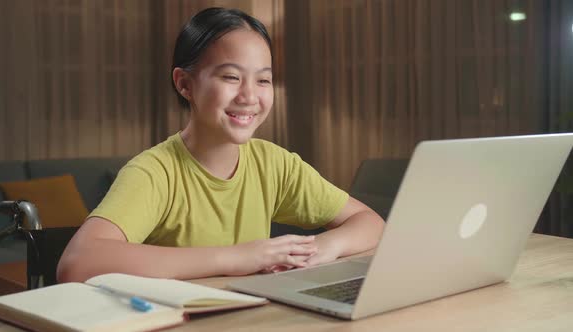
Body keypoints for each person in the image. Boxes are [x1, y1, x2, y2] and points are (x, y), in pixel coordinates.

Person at [57, 7, 385, 283]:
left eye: (263, 80)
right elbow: (77, 262)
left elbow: (371, 223)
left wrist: (321, 247)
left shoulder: (274, 163)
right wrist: (237, 257)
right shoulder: (155, 172)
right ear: (185, 84)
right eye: (231, 77)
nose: (249, 96)